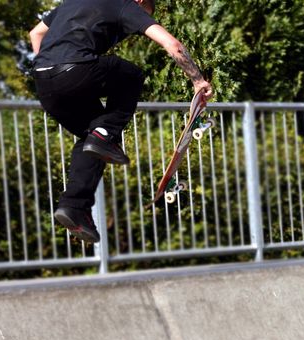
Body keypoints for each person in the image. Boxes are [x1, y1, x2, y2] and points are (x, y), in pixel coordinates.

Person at [28, 0, 213, 243]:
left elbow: (36, 33)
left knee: (90, 137)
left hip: (43, 82)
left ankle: (74, 206)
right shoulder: (126, 5)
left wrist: (51, 68)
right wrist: (198, 80)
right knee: (131, 75)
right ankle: (105, 133)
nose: (129, 32)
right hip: (75, 69)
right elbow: (173, 45)